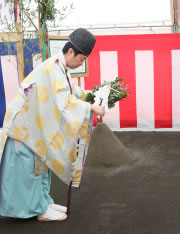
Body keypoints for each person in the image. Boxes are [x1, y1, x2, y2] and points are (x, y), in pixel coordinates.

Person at [0, 28, 105, 221]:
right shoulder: (53, 69)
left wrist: (92, 95)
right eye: (81, 58)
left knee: (40, 165)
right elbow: (64, 101)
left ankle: (43, 203)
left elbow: (72, 91)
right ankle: (37, 209)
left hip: (34, 125)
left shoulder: (59, 67)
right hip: (24, 127)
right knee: (29, 169)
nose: (82, 63)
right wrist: (90, 107)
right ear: (71, 52)